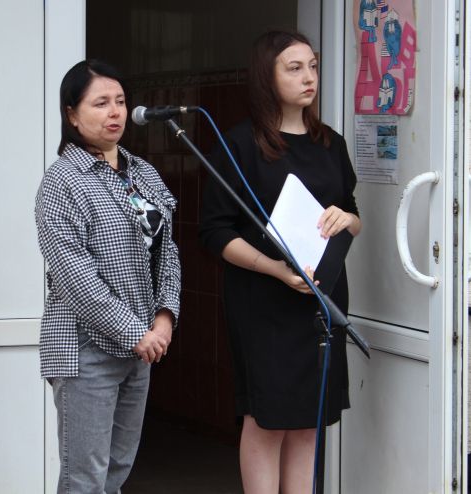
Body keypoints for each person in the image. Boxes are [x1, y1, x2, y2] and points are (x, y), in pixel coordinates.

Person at [199, 31, 361, 493]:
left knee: (310, 420)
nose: (309, 77)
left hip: (320, 299)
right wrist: (273, 269)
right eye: (294, 68)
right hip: (264, 302)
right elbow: (215, 232)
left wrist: (347, 219)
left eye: (313, 66)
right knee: (266, 418)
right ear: (266, 77)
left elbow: (353, 217)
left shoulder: (330, 143)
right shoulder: (239, 144)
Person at [35, 59, 180, 494]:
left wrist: (165, 317)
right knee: (85, 478)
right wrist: (137, 332)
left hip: (141, 347)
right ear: (72, 114)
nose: (115, 111)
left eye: (120, 101)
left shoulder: (142, 172)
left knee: (117, 471)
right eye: (100, 103)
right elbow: (75, 277)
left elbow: (168, 250)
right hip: (84, 348)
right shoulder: (62, 182)